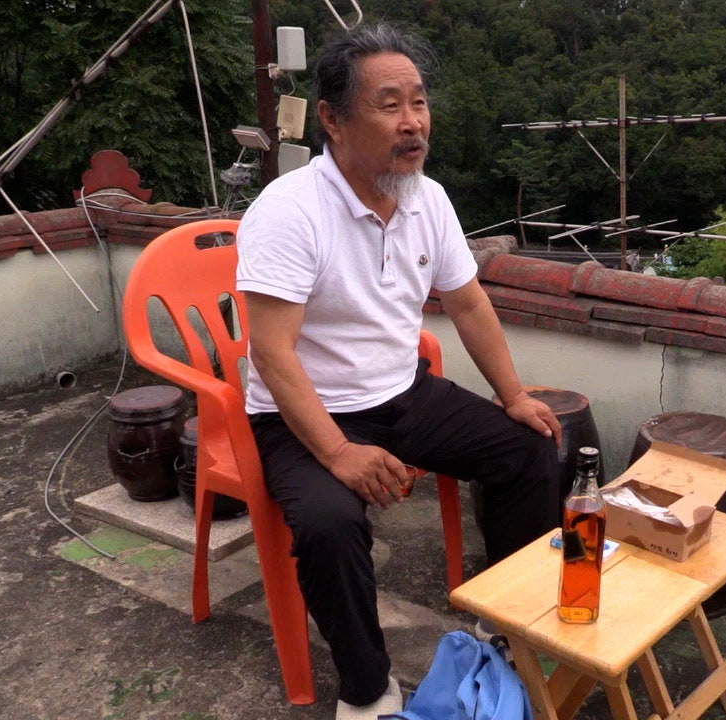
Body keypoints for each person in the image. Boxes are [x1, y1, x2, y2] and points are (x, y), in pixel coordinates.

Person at [234, 23, 563, 720]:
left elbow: (467, 300)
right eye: (389, 105)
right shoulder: (289, 213)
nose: (413, 123)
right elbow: (271, 353)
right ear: (332, 118)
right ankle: (366, 688)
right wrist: (338, 452)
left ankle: (503, 622)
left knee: (529, 446)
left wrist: (512, 395)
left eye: (418, 102)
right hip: (302, 418)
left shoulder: (426, 197)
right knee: (328, 525)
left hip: (402, 391)